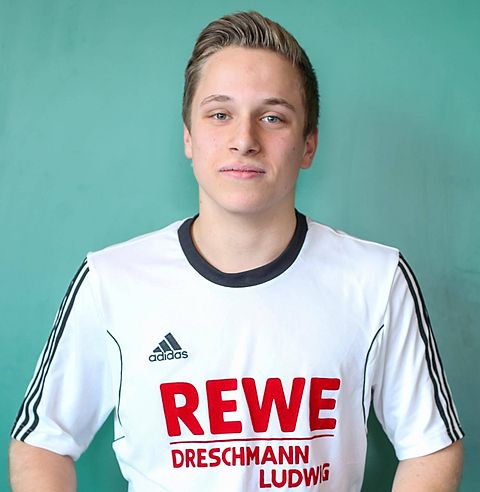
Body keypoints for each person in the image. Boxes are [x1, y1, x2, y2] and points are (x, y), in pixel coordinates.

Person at [9, 10, 464, 492]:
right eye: (220, 114)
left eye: (273, 117)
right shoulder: (112, 281)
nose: (244, 140)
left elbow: (431, 446)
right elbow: (42, 444)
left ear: (308, 145)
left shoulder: (376, 279)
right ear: (189, 137)